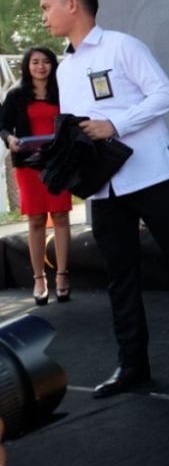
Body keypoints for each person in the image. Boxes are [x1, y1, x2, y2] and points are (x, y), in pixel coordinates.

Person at [40, 0, 169, 398]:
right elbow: (78, 130)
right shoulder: (65, 67)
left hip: (152, 177)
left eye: (46, 7)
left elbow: (164, 94)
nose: (44, 17)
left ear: (73, 5)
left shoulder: (123, 46)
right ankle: (132, 365)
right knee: (120, 277)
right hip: (104, 188)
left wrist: (115, 124)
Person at [2, 47, 73, 305]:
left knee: (62, 216)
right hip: (28, 165)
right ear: (27, 66)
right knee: (36, 220)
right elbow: (3, 126)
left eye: (46, 62)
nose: (41, 66)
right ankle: (39, 278)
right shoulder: (16, 96)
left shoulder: (64, 93)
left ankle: (63, 276)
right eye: (35, 62)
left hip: (59, 163)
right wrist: (9, 138)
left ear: (53, 65)